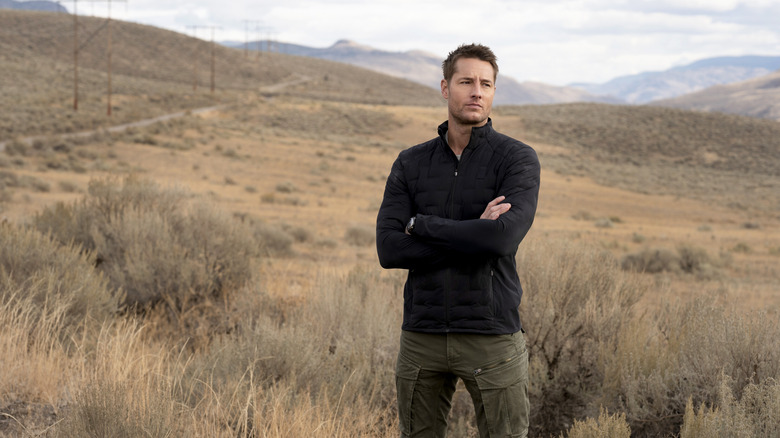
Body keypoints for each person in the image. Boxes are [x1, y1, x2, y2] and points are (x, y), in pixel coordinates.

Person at [375, 43, 540, 437]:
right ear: (446, 88)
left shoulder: (516, 159)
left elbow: (500, 239)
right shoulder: (411, 162)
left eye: (486, 83)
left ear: (494, 92)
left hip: (491, 334)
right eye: (466, 81)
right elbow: (389, 249)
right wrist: (472, 231)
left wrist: (420, 224)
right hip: (422, 333)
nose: (476, 91)